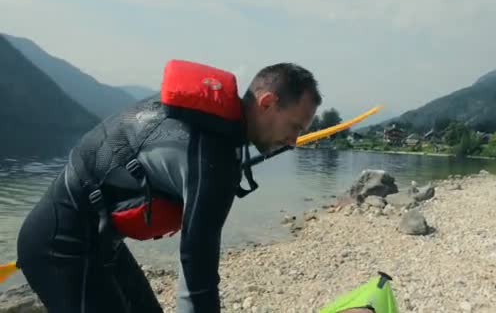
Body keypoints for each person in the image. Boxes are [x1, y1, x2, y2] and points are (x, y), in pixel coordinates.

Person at [15, 60, 322, 312]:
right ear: (267, 103)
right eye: (295, 127)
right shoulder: (211, 158)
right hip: (56, 245)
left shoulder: (216, 134)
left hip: (99, 242)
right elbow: (196, 278)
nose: (294, 142)